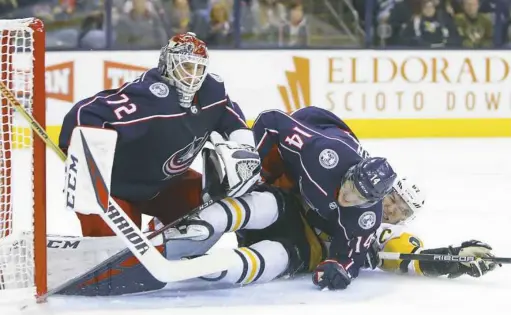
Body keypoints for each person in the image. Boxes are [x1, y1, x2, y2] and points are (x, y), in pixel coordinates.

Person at [58, 31, 261, 238]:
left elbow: (232, 120)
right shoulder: (149, 97)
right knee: (114, 259)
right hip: (115, 191)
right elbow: (84, 113)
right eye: (187, 67)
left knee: (212, 211)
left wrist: (245, 151)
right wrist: (84, 164)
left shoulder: (211, 93)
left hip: (164, 186)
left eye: (199, 68)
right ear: (168, 65)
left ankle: (160, 234)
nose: (194, 75)